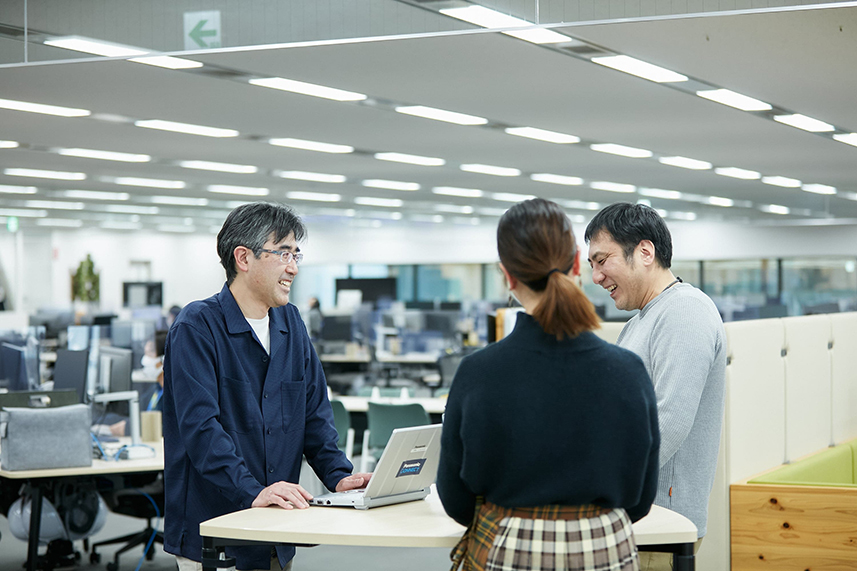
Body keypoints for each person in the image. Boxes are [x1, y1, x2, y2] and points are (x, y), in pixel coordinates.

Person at [437, 198, 660, 571]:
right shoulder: (628, 371)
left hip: (507, 549)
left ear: (507, 276)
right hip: (605, 551)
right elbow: (640, 498)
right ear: (577, 265)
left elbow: (455, 499)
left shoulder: (478, 373)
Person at [162, 202, 371, 571]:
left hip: (277, 529)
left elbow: (314, 417)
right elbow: (201, 430)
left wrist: (340, 477)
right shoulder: (197, 327)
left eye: (296, 254)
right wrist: (253, 491)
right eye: (283, 253)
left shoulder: (291, 323)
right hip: (217, 533)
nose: (293, 267)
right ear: (244, 258)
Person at [585, 202, 726, 569]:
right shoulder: (641, 321)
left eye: (602, 260)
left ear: (645, 252)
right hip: (634, 520)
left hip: (659, 523)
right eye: (591, 265)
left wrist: (599, 485)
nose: (596, 277)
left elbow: (670, 420)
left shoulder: (685, 310)